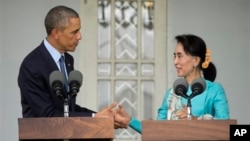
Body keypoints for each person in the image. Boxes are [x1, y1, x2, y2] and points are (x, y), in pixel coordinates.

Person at [114, 34, 230, 133]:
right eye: (174, 56)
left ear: (196, 60)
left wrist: (196, 120)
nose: (175, 62)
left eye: (180, 56)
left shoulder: (214, 90)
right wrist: (129, 120)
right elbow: (158, 131)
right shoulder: (172, 93)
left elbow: (225, 128)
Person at [18, 5, 117, 118]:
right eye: (74, 32)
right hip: (42, 134)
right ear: (56, 33)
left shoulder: (68, 59)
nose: (79, 36)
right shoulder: (32, 65)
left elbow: (68, 109)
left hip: (68, 135)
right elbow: (47, 115)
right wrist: (94, 118)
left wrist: (98, 115)